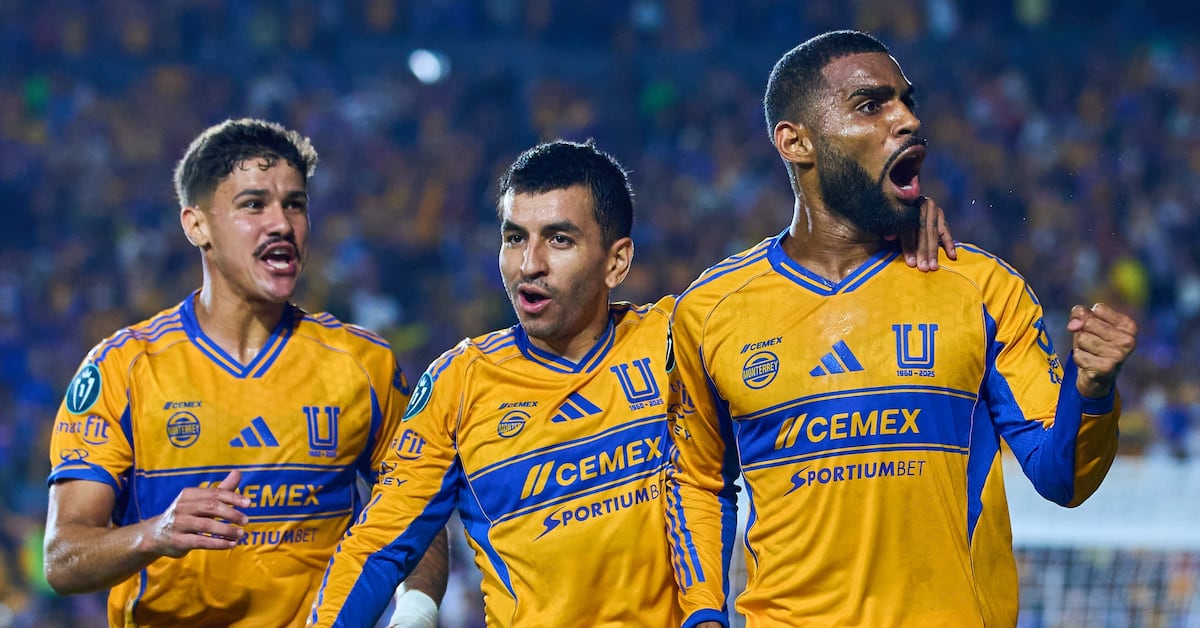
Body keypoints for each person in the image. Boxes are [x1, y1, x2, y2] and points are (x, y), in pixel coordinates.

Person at [306, 139, 954, 627]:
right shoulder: (458, 383)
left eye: (559, 239)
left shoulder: (680, 337)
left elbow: (819, 309)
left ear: (616, 261)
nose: (529, 265)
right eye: (514, 238)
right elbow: (379, 547)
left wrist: (884, 239)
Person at [665, 30, 1140, 628]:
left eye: (907, 101)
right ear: (795, 142)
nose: (908, 120)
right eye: (871, 105)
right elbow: (699, 482)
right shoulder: (711, 311)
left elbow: (1061, 477)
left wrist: (1091, 391)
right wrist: (703, 616)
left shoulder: (980, 289)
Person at [43, 118, 447, 628]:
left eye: (295, 205)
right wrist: (154, 533)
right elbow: (63, 557)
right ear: (197, 226)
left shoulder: (363, 364)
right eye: (254, 205)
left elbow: (417, 512)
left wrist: (416, 611)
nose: (282, 224)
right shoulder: (122, 369)